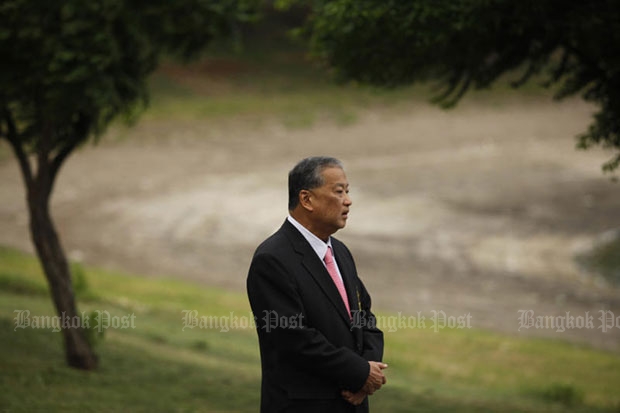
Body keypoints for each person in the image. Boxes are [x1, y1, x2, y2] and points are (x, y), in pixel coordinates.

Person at [247, 156, 386, 413]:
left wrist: (367, 370)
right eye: (339, 191)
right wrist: (358, 372)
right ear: (307, 199)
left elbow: (364, 317)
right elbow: (294, 338)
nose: (348, 200)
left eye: (348, 191)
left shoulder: (341, 252)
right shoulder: (272, 259)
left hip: (352, 402)